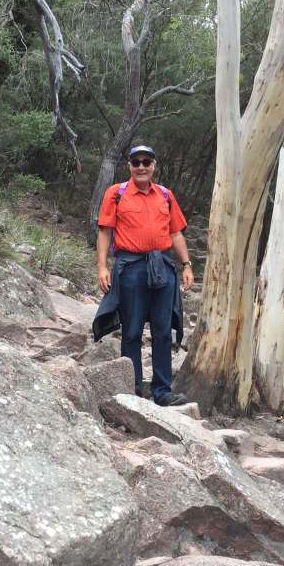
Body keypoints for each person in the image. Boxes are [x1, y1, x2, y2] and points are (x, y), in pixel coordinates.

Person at [91, 145, 194, 406]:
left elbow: (175, 233)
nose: (141, 166)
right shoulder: (116, 194)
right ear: (129, 166)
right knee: (132, 330)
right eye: (136, 162)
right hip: (130, 267)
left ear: (154, 165)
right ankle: (133, 389)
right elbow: (104, 232)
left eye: (146, 161)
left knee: (162, 330)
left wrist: (186, 264)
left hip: (162, 266)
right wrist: (102, 267)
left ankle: (162, 391)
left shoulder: (165, 195)